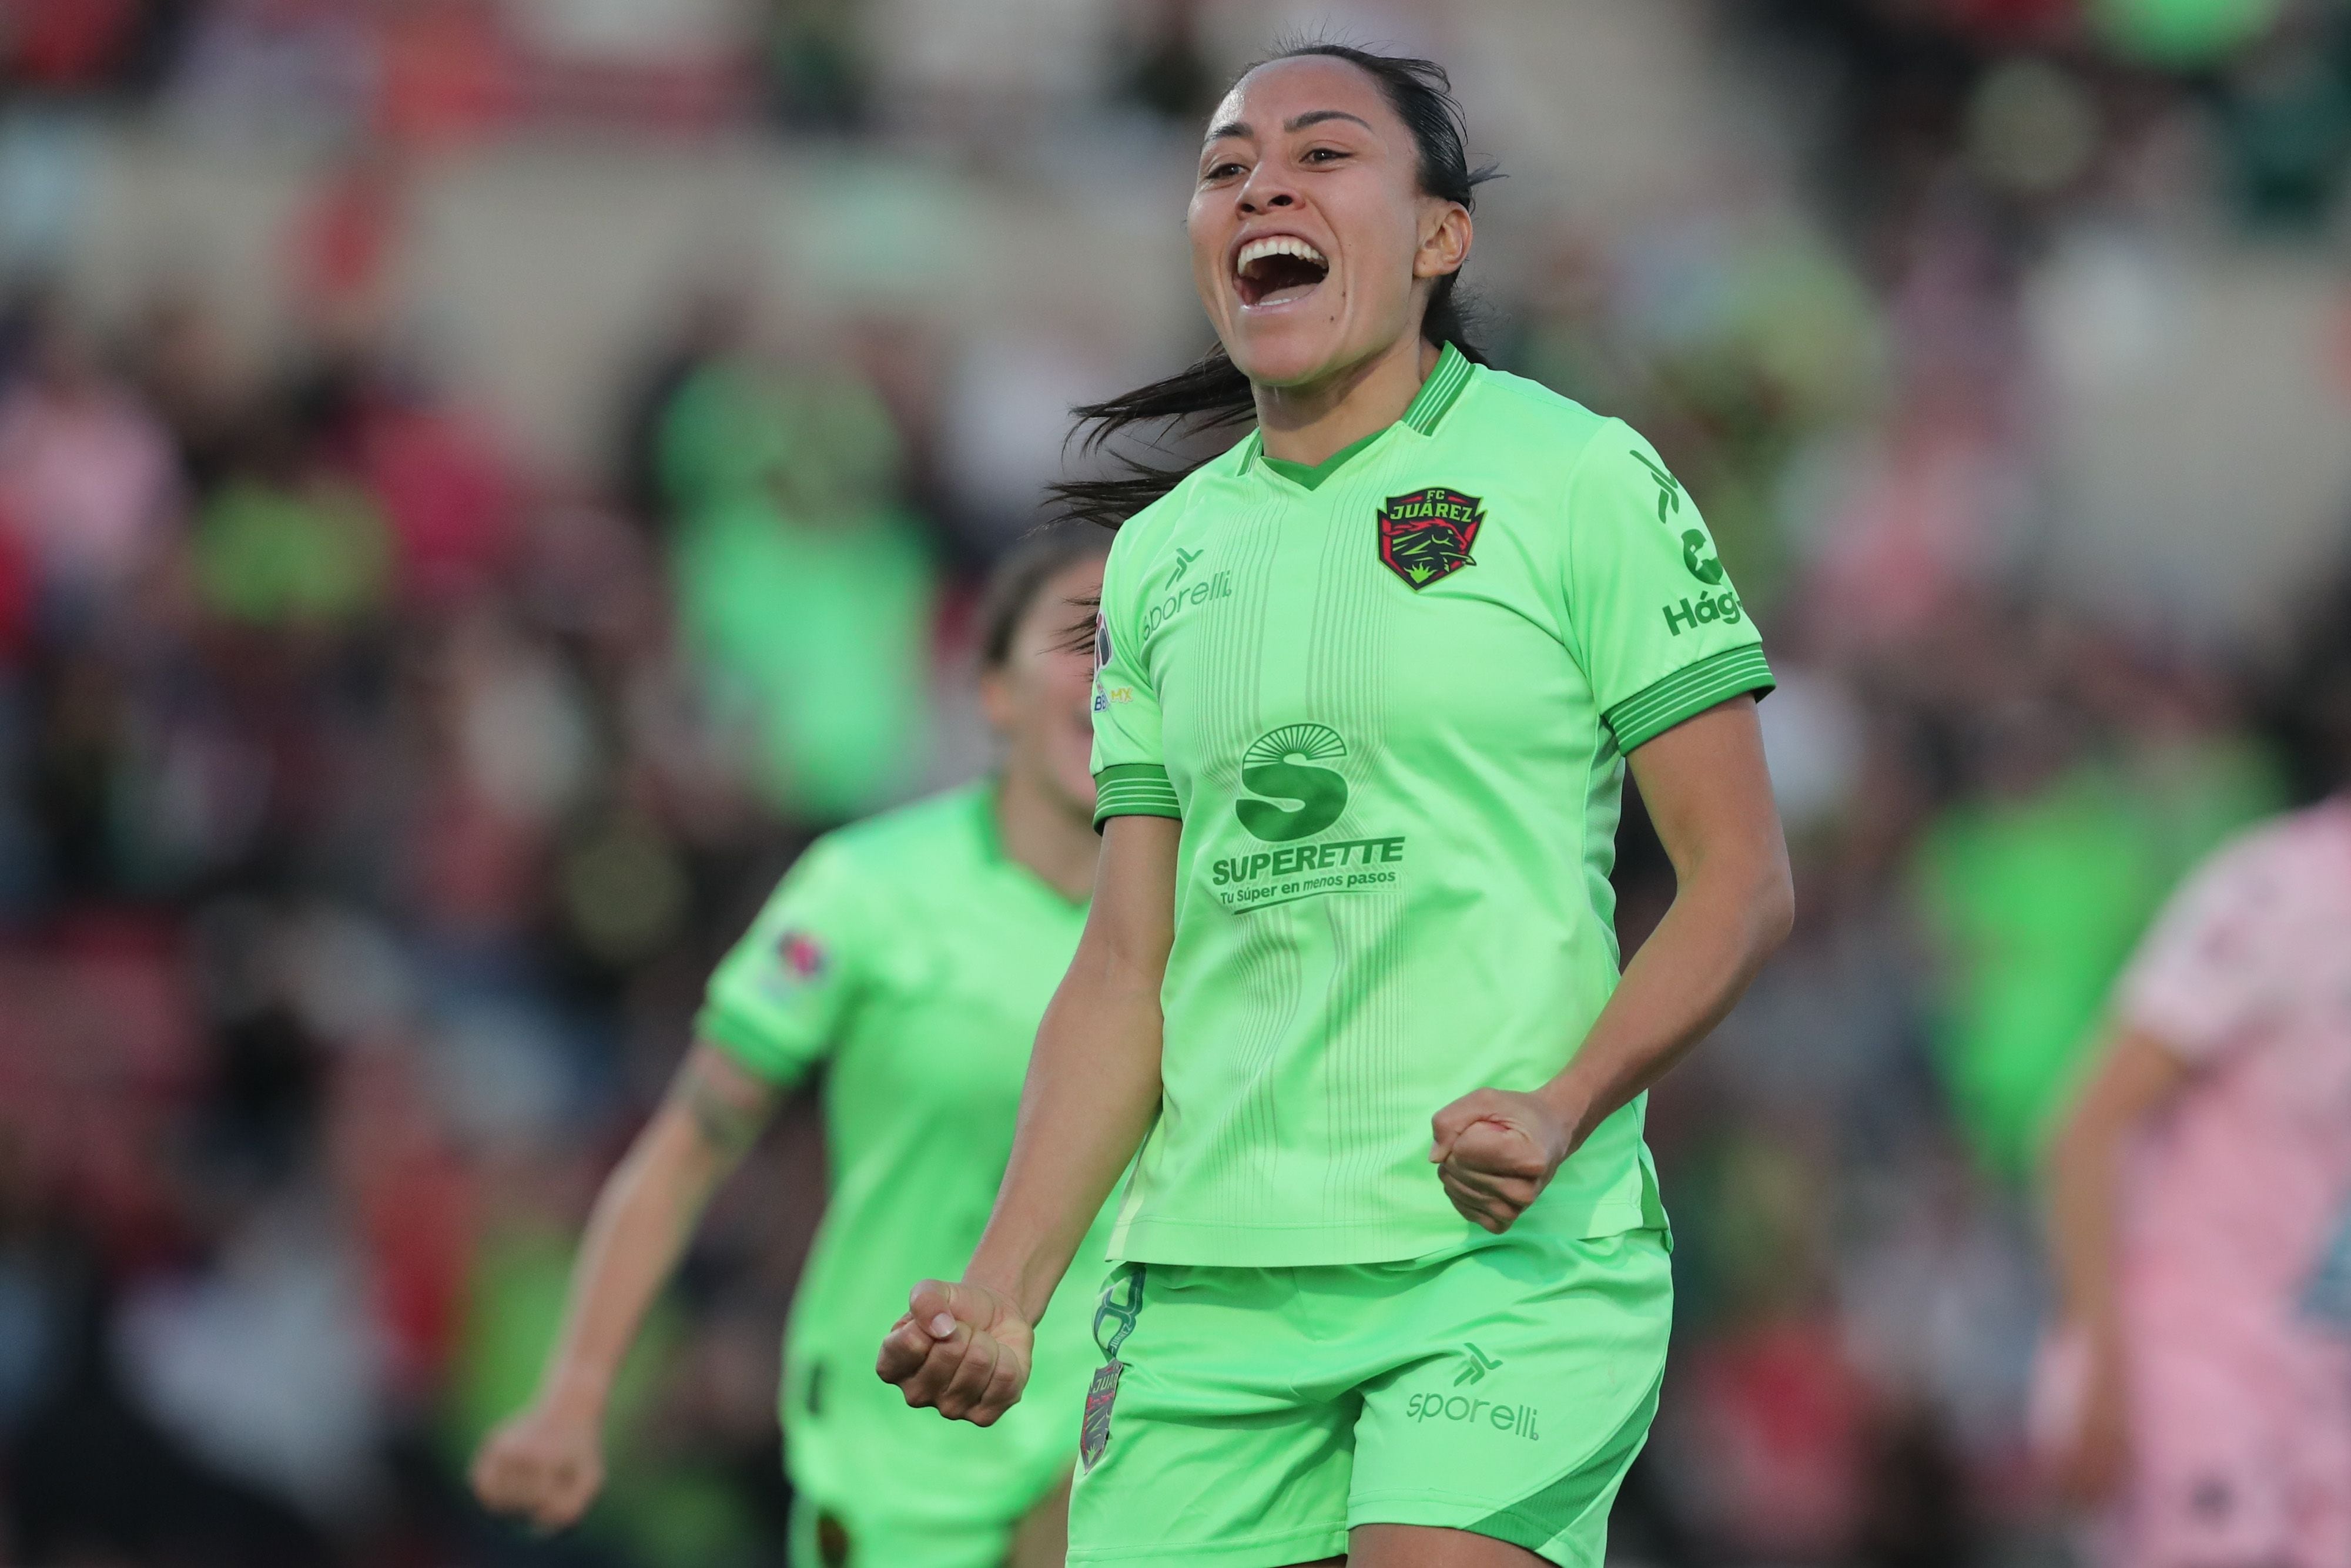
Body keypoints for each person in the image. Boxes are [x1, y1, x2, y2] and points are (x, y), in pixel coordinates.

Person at [878, 44, 1793, 1568]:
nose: (1265, 188)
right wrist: (1005, 1287)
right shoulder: (1163, 560)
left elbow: (1740, 880)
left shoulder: (1580, 480)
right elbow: (1126, 964)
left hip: (1499, 1257)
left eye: (1321, 154)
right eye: (1226, 167)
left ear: (1441, 238)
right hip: (1213, 1277)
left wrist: (1565, 1107)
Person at [471, 529, 1115, 1568]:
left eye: (1146, 646)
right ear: (993, 692)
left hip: (1123, 1446)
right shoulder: (867, 892)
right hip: (907, 1450)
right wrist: (574, 1396)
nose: (1112, 674)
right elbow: (686, 1154)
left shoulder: (1210, 920)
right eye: (1083, 639)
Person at [2039, 790, 2351, 1567]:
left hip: (2322, 1368)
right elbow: (2090, 1127)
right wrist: (2100, 1354)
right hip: (2196, 1353)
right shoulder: (2282, 888)